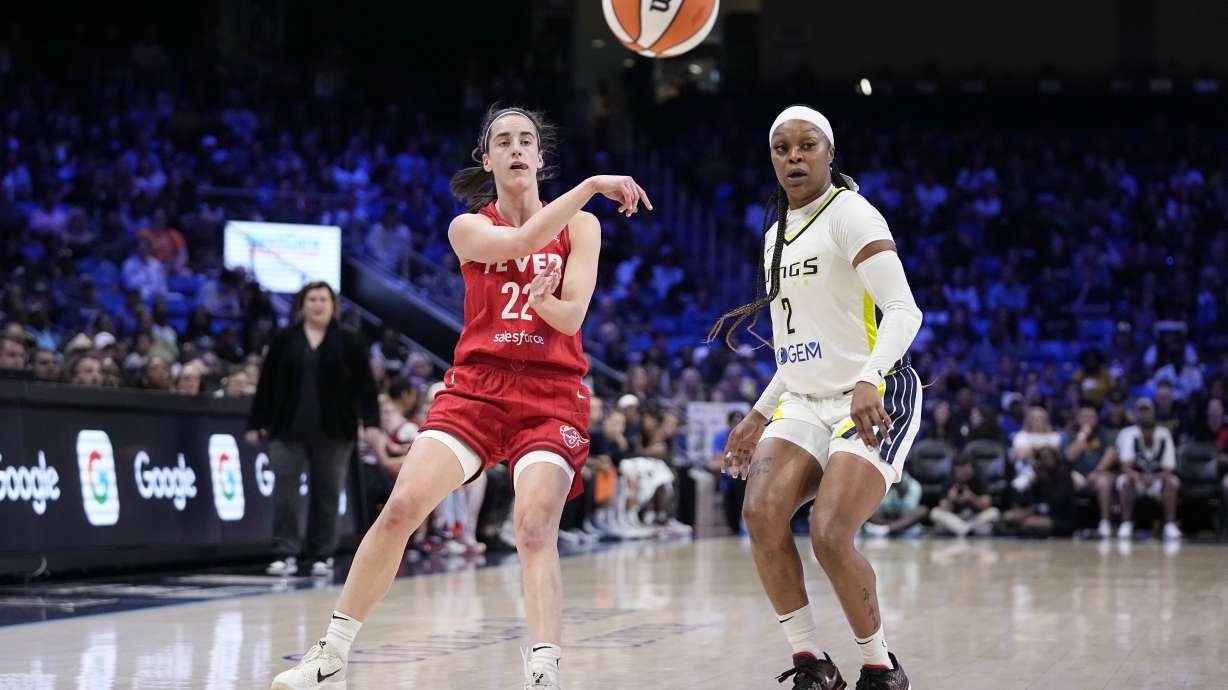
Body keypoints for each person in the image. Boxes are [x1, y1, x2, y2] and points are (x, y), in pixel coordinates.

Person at [271, 106, 649, 690]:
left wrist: (544, 302)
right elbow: (521, 239)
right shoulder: (467, 228)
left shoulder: (583, 228)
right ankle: (331, 653)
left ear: (540, 157)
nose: (517, 148)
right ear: (488, 159)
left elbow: (572, 316)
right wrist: (595, 184)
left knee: (534, 527)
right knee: (400, 508)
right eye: (505, 141)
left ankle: (544, 670)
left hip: (551, 392)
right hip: (478, 388)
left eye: (527, 140)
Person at [716, 106, 922, 690]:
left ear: (830, 153)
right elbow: (795, 348)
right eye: (782, 148)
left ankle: (881, 666)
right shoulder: (773, 237)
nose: (794, 157)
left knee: (830, 532)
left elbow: (905, 310)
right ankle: (811, 662)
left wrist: (871, 376)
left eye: (807, 145)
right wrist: (759, 413)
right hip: (804, 398)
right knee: (760, 515)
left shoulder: (852, 214)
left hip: (875, 393)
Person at [247, 281, 384, 579]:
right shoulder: (284, 338)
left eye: (323, 299)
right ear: (302, 305)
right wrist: (256, 422)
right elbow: (267, 383)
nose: (318, 304)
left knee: (328, 495)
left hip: (335, 431)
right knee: (285, 495)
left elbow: (365, 387)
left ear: (333, 305)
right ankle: (285, 553)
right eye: (312, 299)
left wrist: (371, 422)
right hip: (287, 429)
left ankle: (322, 554)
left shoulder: (349, 340)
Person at [1115, 398, 1182, 541]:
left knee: (1171, 481)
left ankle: (1170, 524)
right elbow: (1125, 466)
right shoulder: (1129, 433)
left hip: (1158, 479)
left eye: (1147, 411)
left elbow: (1169, 468)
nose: (1144, 415)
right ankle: (1126, 523)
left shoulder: (1164, 433)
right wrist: (1139, 477)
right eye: (1141, 411)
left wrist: (1153, 478)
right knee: (1125, 480)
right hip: (1136, 479)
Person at [1062, 402, 1119, 538]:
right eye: (1084, 416)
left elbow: (1111, 453)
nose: (1087, 420)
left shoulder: (1105, 433)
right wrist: (1083, 435)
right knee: (1065, 480)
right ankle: (1068, 524)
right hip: (1076, 476)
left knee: (1103, 482)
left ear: (1097, 418)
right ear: (1077, 418)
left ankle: (1105, 522)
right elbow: (1069, 457)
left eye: (1091, 416)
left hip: (1099, 474)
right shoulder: (1071, 435)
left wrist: (1097, 471)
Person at [929, 458, 1001, 537]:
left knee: (994, 512)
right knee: (935, 512)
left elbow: (986, 504)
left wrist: (971, 497)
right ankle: (966, 530)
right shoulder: (949, 481)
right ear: (955, 470)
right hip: (955, 519)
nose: (964, 473)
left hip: (975, 518)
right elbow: (943, 507)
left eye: (967, 470)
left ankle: (964, 530)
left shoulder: (979, 480)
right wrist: (950, 499)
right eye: (961, 471)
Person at [862, 471, 928, 537]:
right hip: (885, 520)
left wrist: (902, 495)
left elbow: (908, 510)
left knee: (922, 510)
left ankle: (887, 529)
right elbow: (879, 508)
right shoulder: (885, 483)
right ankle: (887, 528)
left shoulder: (914, 486)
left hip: (905, 522)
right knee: (867, 509)